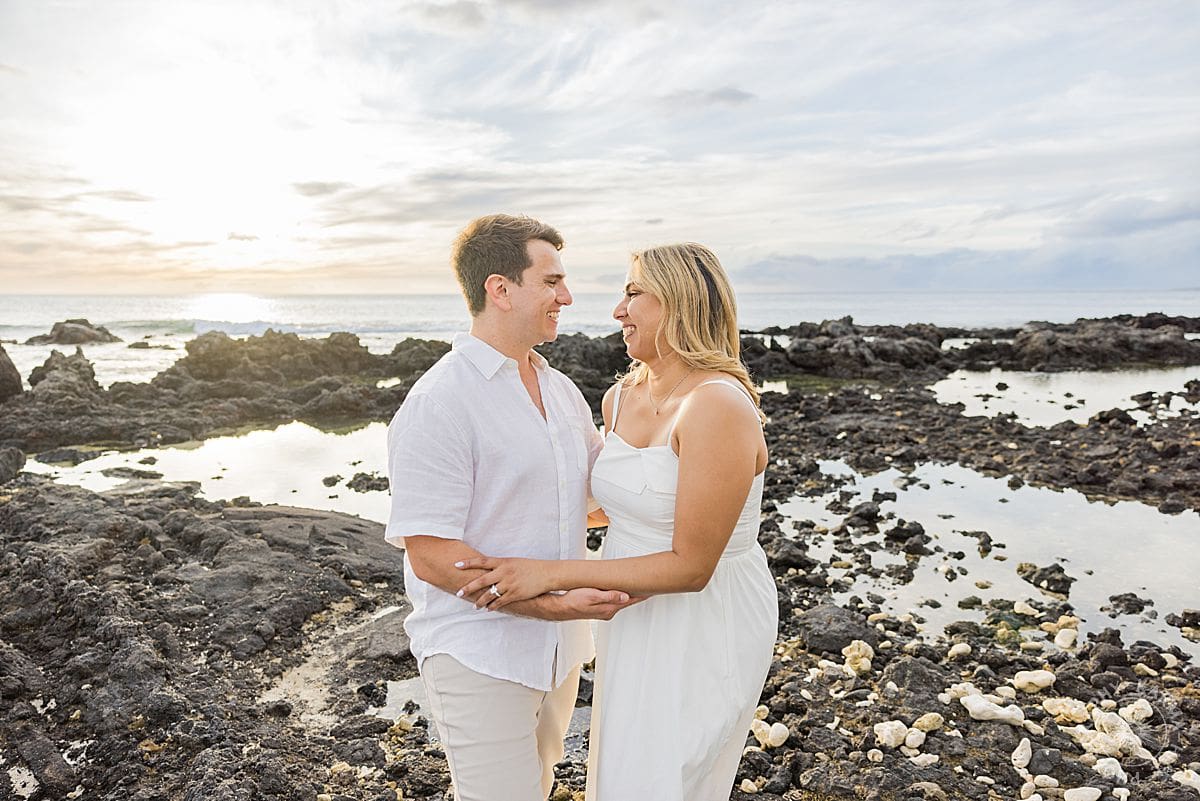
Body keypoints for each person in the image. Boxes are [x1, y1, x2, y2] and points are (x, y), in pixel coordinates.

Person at [454, 242, 779, 801]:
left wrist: (549, 574)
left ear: (679, 302)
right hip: (628, 610)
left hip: (705, 616)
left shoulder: (717, 405)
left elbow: (692, 567)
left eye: (633, 294)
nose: (617, 311)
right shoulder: (619, 396)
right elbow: (611, 504)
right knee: (625, 766)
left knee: (671, 776)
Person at [384, 214, 640, 801]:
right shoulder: (439, 402)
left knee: (538, 785)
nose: (566, 297)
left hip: (561, 652)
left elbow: (595, 503)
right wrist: (554, 605)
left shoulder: (560, 390)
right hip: (478, 653)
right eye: (551, 282)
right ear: (500, 289)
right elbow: (432, 556)